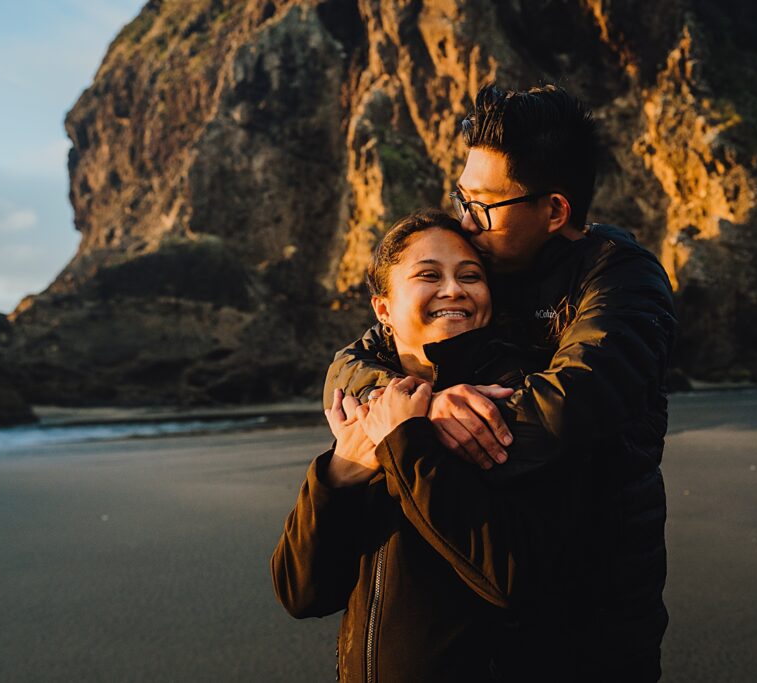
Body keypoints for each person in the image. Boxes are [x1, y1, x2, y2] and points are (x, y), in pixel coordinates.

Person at [325, 84, 677, 680]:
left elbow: (562, 412)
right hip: (496, 611)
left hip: (596, 614)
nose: (465, 220)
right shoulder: (487, 266)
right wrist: (422, 402)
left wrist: (413, 423)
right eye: (461, 197)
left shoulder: (622, 283)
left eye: (483, 204)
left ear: (555, 211)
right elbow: (356, 357)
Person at [272, 210, 579, 682]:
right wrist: (339, 473)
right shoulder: (366, 411)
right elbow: (302, 593)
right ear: (383, 309)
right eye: (428, 275)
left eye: (470, 276)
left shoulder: (512, 402)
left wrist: (408, 442)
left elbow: (512, 580)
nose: (453, 290)